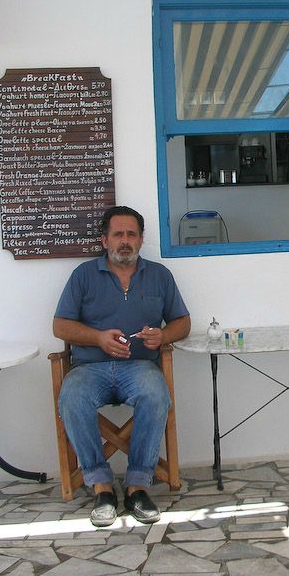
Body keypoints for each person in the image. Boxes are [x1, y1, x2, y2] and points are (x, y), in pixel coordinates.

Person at [54, 206, 191, 526]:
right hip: (89, 368)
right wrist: (99, 337)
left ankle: (138, 486)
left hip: (140, 367)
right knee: (72, 397)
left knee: (156, 395)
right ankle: (101, 487)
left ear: (141, 240)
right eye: (118, 234)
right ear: (104, 240)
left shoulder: (159, 275)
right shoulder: (83, 275)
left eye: (131, 234)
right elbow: (60, 327)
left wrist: (164, 335)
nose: (125, 241)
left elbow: (182, 322)